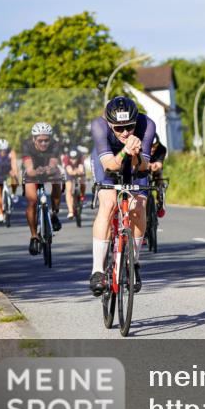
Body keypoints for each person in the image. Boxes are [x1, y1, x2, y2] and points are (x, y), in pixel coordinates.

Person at [89, 96, 156, 296]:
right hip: (109, 161)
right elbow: (110, 165)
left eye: (129, 127)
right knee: (108, 204)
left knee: (138, 206)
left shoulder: (147, 125)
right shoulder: (99, 126)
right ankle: (97, 271)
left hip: (135, 166)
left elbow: (143, 167)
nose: (125, 132)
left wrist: (134, 154)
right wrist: (126, 150)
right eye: (119, 129)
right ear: (109, 124)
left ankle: (134, 263)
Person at [21, 122, 64, 253]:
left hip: (48, 171)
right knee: (32, 201)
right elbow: (29, 169)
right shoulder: (27, 146)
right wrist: (35, 171)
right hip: (32, 173)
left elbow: (53, 165)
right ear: (34, 139)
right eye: (40, 140)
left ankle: (54, 212)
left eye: (46, 140)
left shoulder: (55, 145)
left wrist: (48, 170)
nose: (44, 143)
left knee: (58, 181)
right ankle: (34, 237)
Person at [0, 138, 19, 223]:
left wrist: (14, 173)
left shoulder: (11, 152)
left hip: (8, 170)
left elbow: (14, 164)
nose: (3, 152)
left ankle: (13, 194)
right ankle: (0, 214)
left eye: (5, 150)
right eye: (1, 150)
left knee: (15, 179)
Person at [62, 148, 87, 220]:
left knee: (82, 181)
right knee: (69, 189)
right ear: (69, 157)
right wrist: (75, 172)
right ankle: (70, 211)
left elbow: (81, 169)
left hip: (78, 169)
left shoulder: (81, 157)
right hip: (69, 171)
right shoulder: (66, 159)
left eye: (75, 158)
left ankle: (82, 196)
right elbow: (69, 171)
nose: (73, 160)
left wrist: (79, 171)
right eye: (72, 159)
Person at [148, 133, 167, 217]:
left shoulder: (162, 149)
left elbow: (159, 164)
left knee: (159, 174)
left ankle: (160, 201)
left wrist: (154, 166)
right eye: (150, 147)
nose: (152, 149)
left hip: (154, 168)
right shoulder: (140, 147)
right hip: (142, 168)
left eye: (154, 147)